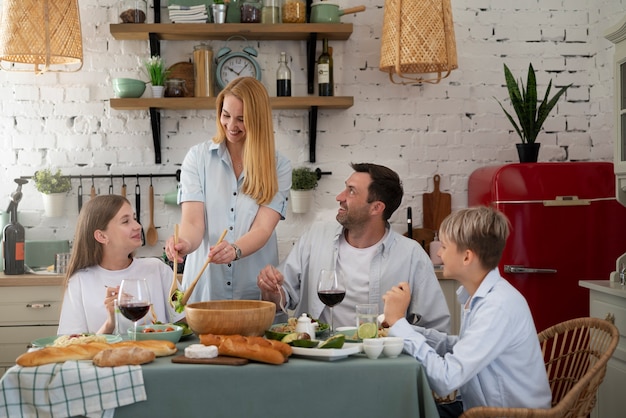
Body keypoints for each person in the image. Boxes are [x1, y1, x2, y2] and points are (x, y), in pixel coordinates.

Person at [382, 206, 551, 415]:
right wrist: (403, 328)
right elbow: (463, 347)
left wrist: (399, 321)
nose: (438, 253)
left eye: (444, 246)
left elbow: (445, 380)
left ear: (467, 257)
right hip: (477, 408)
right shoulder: (478, 297)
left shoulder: (497, 307)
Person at [258, 163, 450, 332]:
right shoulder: (315, 237)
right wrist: (272, 291)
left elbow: (436, 326)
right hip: (316, 353)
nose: (339, 197)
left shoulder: (411, 254)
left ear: (376, 208)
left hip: (376, 360)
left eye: (351, 191)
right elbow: (282, 299)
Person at [165, 77, 291, 303]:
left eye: (242, 119)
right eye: (226, 115)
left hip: (253, 292)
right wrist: (184, 243)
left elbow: (263, 228)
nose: (231, 126)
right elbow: (193, 223)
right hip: (205, 292)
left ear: (258, 120)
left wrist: (235, 250)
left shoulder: (278, 166)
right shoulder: (197, 158)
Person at [58, 195, 184, 335]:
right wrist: (110, 323)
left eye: (134, 219)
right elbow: (73, 345)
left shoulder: (158, 269)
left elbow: (185, 322)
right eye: (126, 221)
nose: (138, 226)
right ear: (102, 236)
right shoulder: (80, 281)